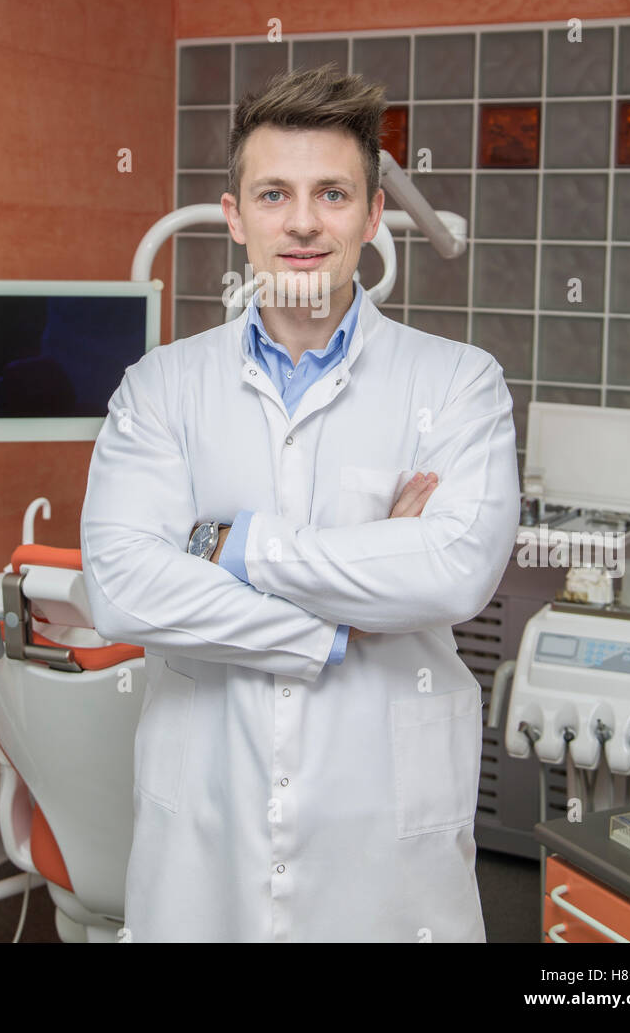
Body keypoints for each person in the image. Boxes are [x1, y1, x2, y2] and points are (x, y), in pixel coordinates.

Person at [80, 62, 521, 943]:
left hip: (386, 853)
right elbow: (121, 586)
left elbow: (453, 574)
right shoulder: (162, 387)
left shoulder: (459, 383)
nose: (305, 221)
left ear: (372, 215)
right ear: (236, 216)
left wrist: (228, 544)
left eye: (332, 193)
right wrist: (348, 611)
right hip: (205, 834)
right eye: (274, 194)